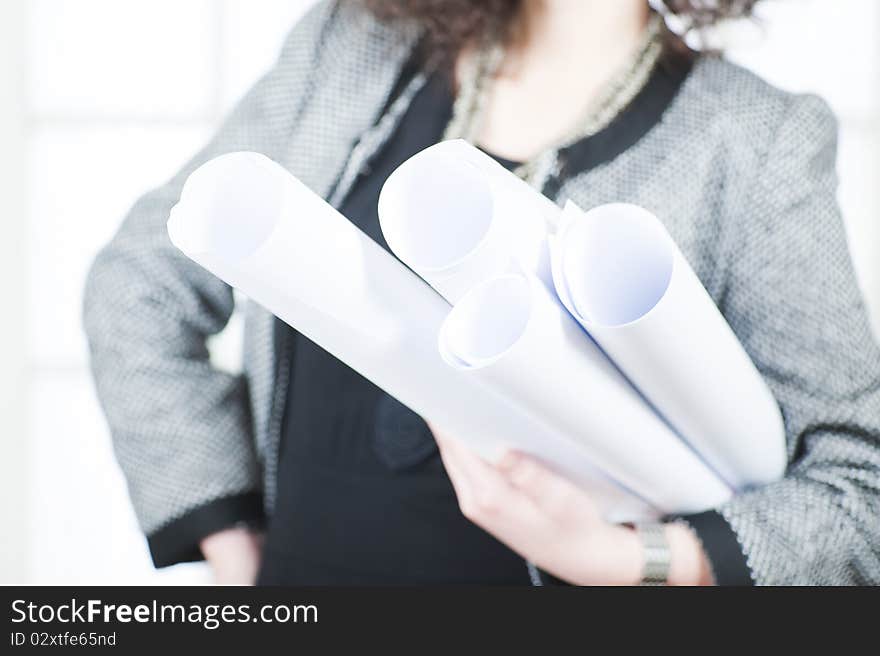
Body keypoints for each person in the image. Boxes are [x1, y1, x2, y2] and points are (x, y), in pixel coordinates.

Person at [83, 0, 880, 585]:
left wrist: (633, 560)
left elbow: (859, 492)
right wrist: (233, 547)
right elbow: (140, 283)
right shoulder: (352, 47)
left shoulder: (752, 140)